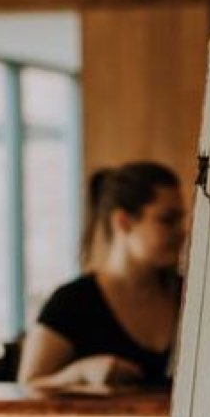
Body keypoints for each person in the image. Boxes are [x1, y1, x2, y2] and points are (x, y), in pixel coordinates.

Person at [18, 160, 186, 388]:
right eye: (167, 220)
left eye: (182, 220)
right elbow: (28, 386)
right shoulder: (72, 302)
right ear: (123, 222)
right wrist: (80, 372)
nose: (182, 231)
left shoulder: (189, 296)